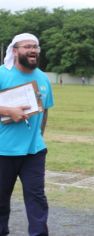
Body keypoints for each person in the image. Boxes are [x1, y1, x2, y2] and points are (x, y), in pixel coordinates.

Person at [0, 33, 54, 236]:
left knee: (37, 199)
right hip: (3, 151)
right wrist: (8, 111)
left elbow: (45, 110)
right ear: (15, 51)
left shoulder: (42, 78)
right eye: (27, 47)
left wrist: (39, 136)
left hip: (34, 152)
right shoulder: (2, 74)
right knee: (1, 199)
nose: (33, 50)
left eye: (36, 46)